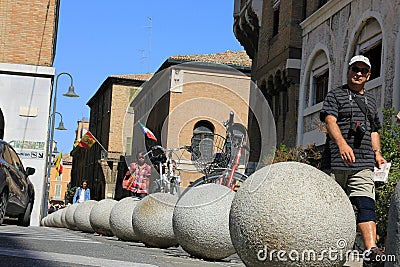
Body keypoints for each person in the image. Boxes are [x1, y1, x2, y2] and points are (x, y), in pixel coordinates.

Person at [320, 55, 386, 266]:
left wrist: (377, 152)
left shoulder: (371, 100)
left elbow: (375, 129)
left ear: (368, 75)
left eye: (362, 71)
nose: (358, 73)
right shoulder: (335, 95)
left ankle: (370, 251)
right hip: (336, 162)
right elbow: (330, 120)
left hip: (364, 161)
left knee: (366, 203)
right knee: (330, 207)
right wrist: (342, 145)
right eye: (354, 69)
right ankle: (324, 250)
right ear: (348, 71)